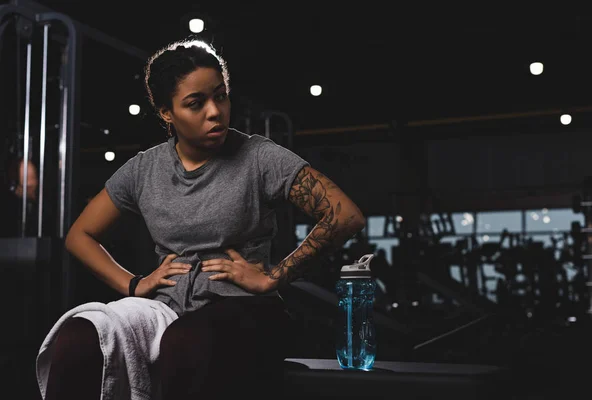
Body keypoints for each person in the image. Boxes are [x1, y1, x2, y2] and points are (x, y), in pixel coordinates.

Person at [36, 37, 365, 400]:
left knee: (186, 343)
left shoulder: (259, 157)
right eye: (196, 103)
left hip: (247, 311)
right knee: (79, 337)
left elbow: (345, 215)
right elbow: (80, 235)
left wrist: (273, 276)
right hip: (166, 309)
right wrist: (133, 284)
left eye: (220, 96)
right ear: (166, 112)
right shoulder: (144, 169)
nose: (215, 112)